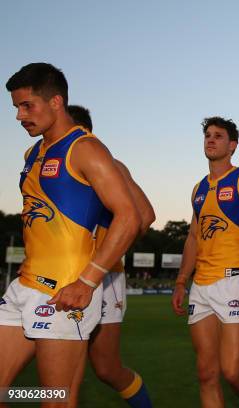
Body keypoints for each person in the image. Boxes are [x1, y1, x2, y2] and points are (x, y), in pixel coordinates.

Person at [0, 63, 140, 407]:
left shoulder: (86, 149)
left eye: (26, 106)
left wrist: (88, 281)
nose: (19, 116)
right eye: (16, 107)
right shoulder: (32, 153)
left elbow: (130, 216)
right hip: (25, 287)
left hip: (64, 293)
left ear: (56, 102)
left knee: (56, 400)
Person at [171, 116, 239, 408]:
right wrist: (180, 281)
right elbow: (193, 237)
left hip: (234, 282)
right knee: (206, 372)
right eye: (207, 135)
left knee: (231, 371)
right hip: (200, 285)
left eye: (218, 136)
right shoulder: (198, 189)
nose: (211, 140)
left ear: (233, 145)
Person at [68, 104, 155, 407]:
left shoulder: (108, 163)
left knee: (105, 368)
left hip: (101, 276)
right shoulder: (45, 161)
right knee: (67, 369)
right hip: (58, 273)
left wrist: (108, 252)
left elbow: (143, 216)